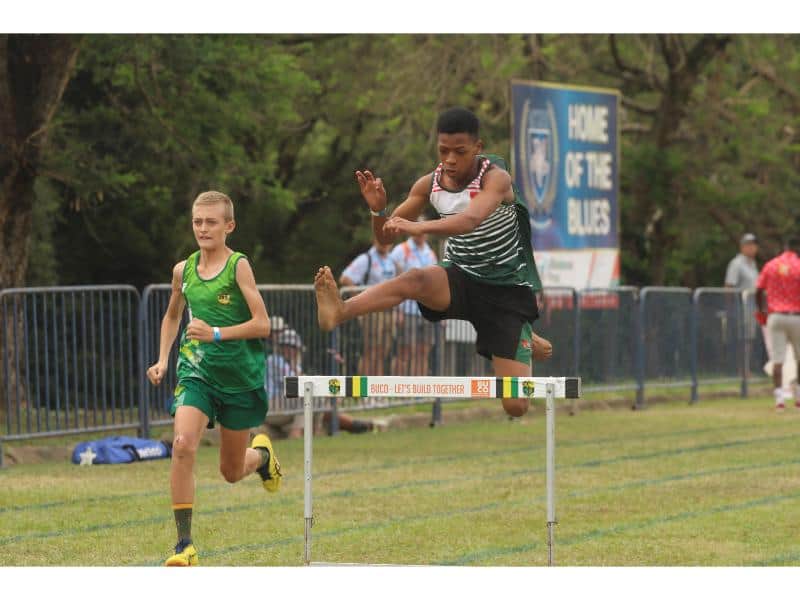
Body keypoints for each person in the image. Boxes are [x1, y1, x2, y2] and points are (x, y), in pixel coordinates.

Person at [315, 107, 549, 418]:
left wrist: (418, 227)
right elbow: (385, 237)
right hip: (460, 277)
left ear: (477, 148)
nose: (450, 159)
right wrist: (378, 211)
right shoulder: (429, 184)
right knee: (415, 279)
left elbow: (469, 220)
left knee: (516, 405)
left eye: (460, 152)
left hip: (505, 291)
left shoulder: (496, 179)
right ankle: (340, 310)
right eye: (443, 151)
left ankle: (522, 333)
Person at [146, 190, 281, 567]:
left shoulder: (239, 266)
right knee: (182, 444)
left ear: (229, 226)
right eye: (197, 222)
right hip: (197, 372)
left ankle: (262, 457)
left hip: (239, 377)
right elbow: (173, 316)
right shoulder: (183, 270)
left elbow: (263, 325)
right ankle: (184, 545)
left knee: (231, 472)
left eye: (211, 222)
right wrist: (162, 359)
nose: (203, 229)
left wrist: (217, 333)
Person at [265, 327, 385, 435]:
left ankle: (319, 431)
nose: (292, 350)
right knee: (308, 397)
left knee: (316, 398)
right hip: (273, 406)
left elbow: (303, 382)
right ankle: (297, 433)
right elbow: (295, 385)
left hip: (285, 404)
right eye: (288, 346)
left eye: (293, 347)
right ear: (282, 347)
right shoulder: (275, 361)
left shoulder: (293, 364)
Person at [339, 237, 398, 376]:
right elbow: (345, 278)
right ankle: (364, 386)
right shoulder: (366, 259)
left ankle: (377, 386)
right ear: (374, 240)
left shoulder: (392, 260)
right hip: (372, 311)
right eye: (381, 238)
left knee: (383, 351)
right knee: (371, 350)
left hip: (388, 311)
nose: (384, 243)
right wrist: (361, 300)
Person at [755, 235, 800, 411]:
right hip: (796, 316)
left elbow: (759, 289)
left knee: (777, 360)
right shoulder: (798, 266)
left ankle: (779, 399)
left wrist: (762, 310)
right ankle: (798, 397)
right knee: (799, 358)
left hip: (776, 316)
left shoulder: (771, 265)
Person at [390, 226, 439, 375]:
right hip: (407, 310)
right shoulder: (401, 250)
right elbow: (392, 282)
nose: (421, 233)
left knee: (423, 352)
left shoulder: (430, 254)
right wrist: (397, 310)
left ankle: (419, 388)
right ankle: (398, 387)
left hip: (426, 310)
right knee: (404, 351)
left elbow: (435, 283)